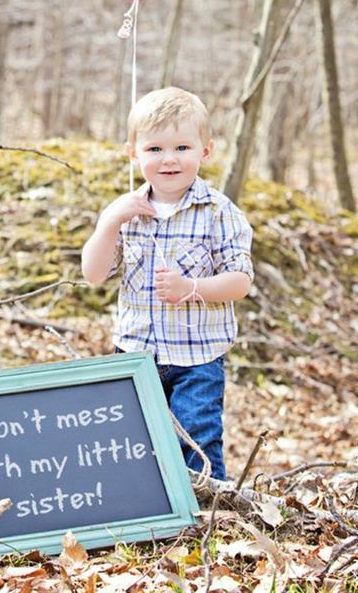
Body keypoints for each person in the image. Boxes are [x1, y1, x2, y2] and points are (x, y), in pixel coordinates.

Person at [81, 87, 253, 480]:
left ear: (205, 151)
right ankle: (147, 513)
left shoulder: (218, 212)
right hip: (135, 352)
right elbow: (93, 275)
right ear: (133, 153)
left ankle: (205, 516)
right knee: (134, 439)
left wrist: (191, 288)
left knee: (197, 436)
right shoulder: (128, 211)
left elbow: (240, 280)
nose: (169, 159)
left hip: (197, 358)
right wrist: (108, 223)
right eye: (155, 149)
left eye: (182, 147)